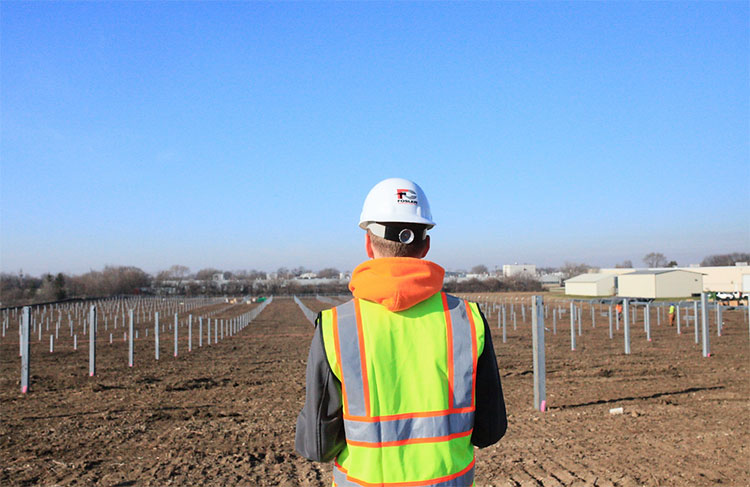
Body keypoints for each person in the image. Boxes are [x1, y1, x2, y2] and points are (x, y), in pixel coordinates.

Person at [295, 178, 507, 486]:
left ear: (369, 244)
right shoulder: (468, 320)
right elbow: (490, 429)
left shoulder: (336, 327)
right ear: (426, 244)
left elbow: (316, 445)